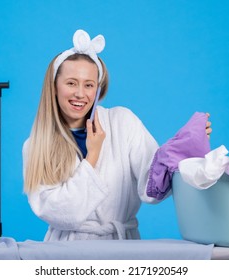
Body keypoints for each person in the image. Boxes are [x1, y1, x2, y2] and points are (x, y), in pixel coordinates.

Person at [22, 29, 212, 241]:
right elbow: (65, 214)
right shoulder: (36, 146)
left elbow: (151, 187)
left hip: (122, 246)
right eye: (71, 83)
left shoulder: (122, 122)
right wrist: (92, 156)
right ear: (54, 87)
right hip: (66, 252)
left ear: (97, 89)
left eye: (89, 85)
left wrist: (180, 149)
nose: (80, 93)